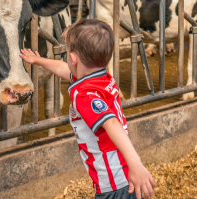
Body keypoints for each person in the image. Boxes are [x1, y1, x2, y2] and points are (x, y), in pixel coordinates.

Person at [20, 19, 155, 199]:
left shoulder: (84, 94)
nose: (66, 59)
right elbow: (63, 69)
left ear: (74, 58)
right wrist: (38, 60)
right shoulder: (101, 78)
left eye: (67, 53)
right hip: (121, 176)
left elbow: (112, 123)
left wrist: (136, 164)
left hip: (113, 185)